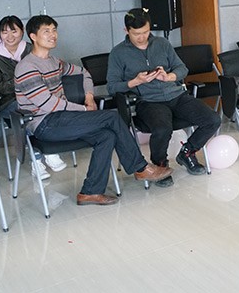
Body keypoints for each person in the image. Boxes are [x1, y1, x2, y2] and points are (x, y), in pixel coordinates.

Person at [15, 14, 173, 206]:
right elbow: (48, 104)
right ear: (33, 36)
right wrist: (84, 109)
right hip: (44, 124)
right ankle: (140, 168)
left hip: (63, 119)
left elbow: (84, 72)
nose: (53, 35)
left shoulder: (55, 62)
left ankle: (90, 192)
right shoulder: (27, 67)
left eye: (54, 30)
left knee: (106, 136)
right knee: (112, 118)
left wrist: (89, 97)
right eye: (46, 31)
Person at [106, 8, 221, 187]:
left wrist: (169, 77)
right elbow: (112, 86)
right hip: (148, 102)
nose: (142, 37)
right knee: (162, 129)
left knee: (212, 119)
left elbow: (182, 68)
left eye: (146, 32)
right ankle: (160, 165)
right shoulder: (118, 53)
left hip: (176, 95)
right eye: (136, 34)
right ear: (126, 30)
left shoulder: (162, 43)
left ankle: (187, 153)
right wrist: (135, 81)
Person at [0, 15, 66, 180]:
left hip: (38, 97)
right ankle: (38, 158)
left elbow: (48, 74)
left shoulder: (31, 48)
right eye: (4, 32)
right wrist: (23, 82)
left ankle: (49, 149)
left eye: (14, 31)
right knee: (27, 112)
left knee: (44, 105)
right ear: (0, 34)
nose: (10, 36)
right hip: (9, 102)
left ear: (23, 32)